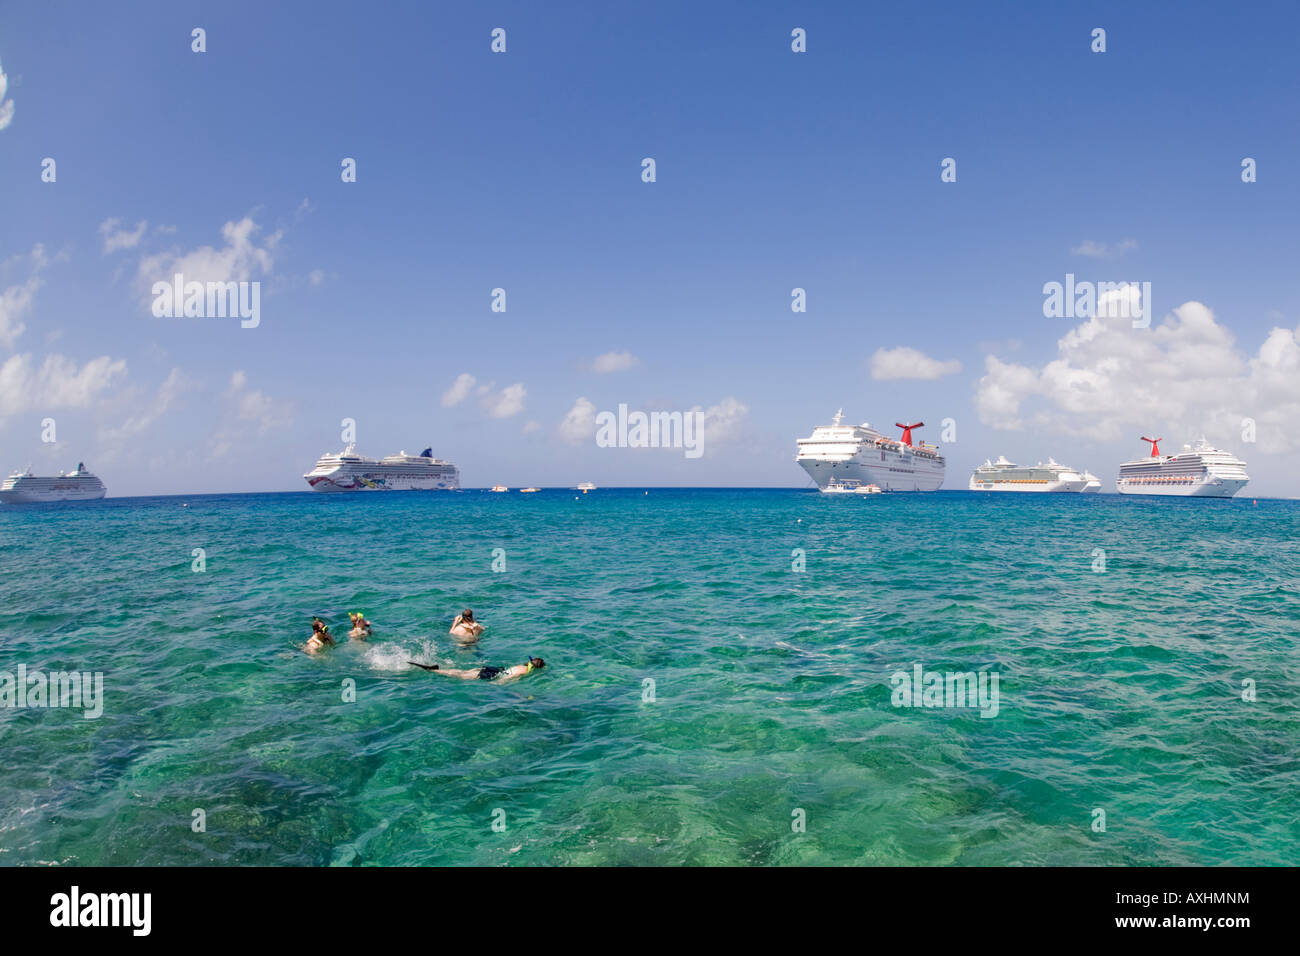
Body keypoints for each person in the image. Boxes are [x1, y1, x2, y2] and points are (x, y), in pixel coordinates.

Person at [407, 657, 544, 682]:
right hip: (493, 674)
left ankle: (438, 669)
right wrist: (496, 684)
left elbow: (509, 672)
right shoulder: (525, 672)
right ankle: (434, 670)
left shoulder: (522, 666)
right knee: (460, 676)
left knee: (462, 672)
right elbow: (508, 678)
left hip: (493, 669)